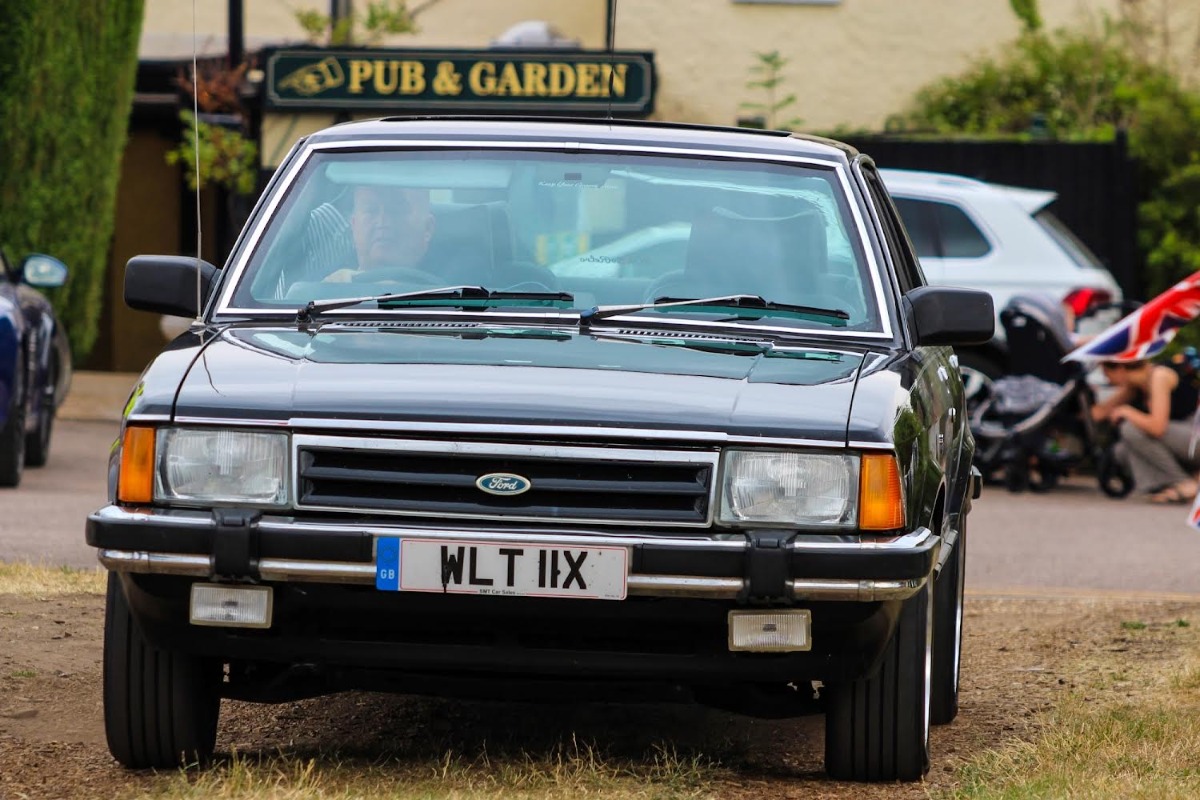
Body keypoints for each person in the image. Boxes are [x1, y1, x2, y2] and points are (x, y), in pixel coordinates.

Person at [1091, 358, 1200, 503]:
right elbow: (1099, 413)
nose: (1107, 379)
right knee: (1121, 450)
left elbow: (1157, 427)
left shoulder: (1159, 376)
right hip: (1182, 438)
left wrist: (1128, 412)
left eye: (1106, 373)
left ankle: (1183, 482)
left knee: (1130, 429)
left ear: (1120, 369)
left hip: (1194, 435)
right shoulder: (1135, 386)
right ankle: (1167, 486)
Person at [320, 184, 436, 283]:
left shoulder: (444, 294)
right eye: (371, 211)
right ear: (354, 226)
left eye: (396, 211)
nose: (382, 222)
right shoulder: (327, 293)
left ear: (427, 228)